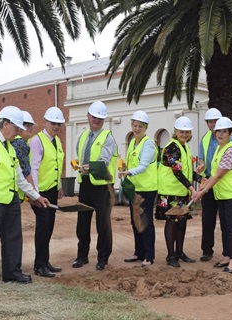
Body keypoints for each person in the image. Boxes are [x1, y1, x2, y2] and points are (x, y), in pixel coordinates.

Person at [0, 106, 50, 287]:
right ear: (5, 124)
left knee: (14, 236)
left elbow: (20, 178)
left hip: (11, 198)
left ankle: (12, 273)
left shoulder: (9, 148)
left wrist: (36, 196)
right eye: (17, 128)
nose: (18, 132)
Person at [193, 117, 232, 274]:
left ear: (230, 133)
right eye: (218, 131)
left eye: (224, 131)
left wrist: (202, 192)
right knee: (225, 227)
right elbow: (211, 174)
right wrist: (201, 188)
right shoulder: (219, 148)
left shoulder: (230, 150)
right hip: (223, 195)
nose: (220, 134)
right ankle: (227, 256)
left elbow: (218, 176)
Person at [73, 101, 118, 271]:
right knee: (82, 223)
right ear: (88, 116)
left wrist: (88, 167)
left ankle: (103, 258)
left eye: (100, 117)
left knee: (103, 223)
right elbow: (80, 154)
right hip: (85, 184)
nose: (96, 120)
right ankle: (82, 256)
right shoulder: (83, 136)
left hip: (103, 187)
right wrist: (79, 166)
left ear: (104, 119)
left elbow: (104, 160)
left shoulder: (108, 137)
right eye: (94, 116)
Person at [155, 116, 202, 268]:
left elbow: (187, 172)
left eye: (187, 132)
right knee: (172, 222)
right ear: (175, 131)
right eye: (182, 131)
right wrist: (192, 188)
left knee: (181, 222)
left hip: (181, 192)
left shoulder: (185, 147)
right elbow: (177, 171)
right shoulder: (172, 147)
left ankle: (179, 252)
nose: (184, 134)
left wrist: (202, 179)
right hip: (169, 193)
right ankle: (170, 255)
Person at [29, 106, 65, 278]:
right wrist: (35, 195)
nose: (56, 126)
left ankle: (45, 261)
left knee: (49, 227)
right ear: (45, 122)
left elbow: (55, 166)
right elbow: (33, 169)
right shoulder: (37, 141)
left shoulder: (56, 141)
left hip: (51, 191)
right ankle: (39, 266)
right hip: (40, 192)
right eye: (53, 123)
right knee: (43, 227)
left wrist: (58, 187)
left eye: (59, 124)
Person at [119, 111, 158, 267]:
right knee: (135, 220)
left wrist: (128, 171)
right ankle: (138, 252)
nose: (137, 128)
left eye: (140, 126)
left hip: (146, 189)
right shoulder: (133, 143)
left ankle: (149, 255)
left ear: (146, 127)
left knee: (145, 221)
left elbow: (143, 165)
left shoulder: (147, 143)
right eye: (135, 125)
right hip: (134, 189)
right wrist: (124, 169)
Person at [11, 110, 36, 201]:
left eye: (31, 125)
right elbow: (25, 171)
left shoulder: (12, 142)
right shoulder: (20, 144)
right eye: (27, 126)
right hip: (14, 193)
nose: (30, 128)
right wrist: (35, 195)